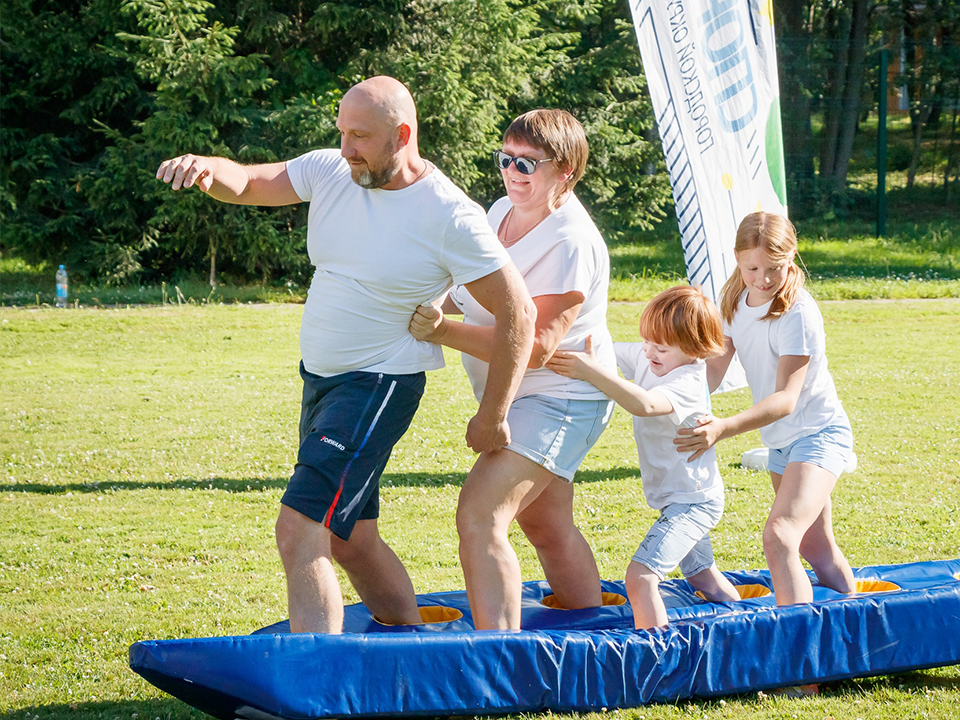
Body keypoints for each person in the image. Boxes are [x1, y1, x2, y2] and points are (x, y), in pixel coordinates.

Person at [156, 76, 536, 633]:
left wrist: (493, 415)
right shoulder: (333, 171)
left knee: (300, 525)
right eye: (341, 132)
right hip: (322, 381)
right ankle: (408, 640)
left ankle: (319, 685)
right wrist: (209, 168)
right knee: (350, 535)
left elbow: (519, 315)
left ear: (401, 135)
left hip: (379, 384)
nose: (345, 148)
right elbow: (252, 182)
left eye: (359, 136)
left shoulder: (449, 214)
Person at [409, 109, 615, 630]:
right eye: (507, 159)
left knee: (480, 515)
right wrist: (425, 303)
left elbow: (539, 345)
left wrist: (439, 331)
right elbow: (478, 295)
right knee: (546, 524)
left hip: (563, 397)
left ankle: (497, 660)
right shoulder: (502, 209)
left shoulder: (570, 240)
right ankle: (591, 632)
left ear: (566, 170)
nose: (513, 172)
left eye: (529, 163)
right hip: (520, 393)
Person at [674, 211, 856, 606]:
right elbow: (713, 368)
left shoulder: (798, 313)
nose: (763, 278)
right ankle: (856, 620)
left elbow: (786, 398)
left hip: (819, 436)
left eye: (774, 268)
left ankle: (799, 648)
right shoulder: (736, 302)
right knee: (816, 548)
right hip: (781, 443)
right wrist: (674, 403)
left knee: (779, 536)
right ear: (738, 259)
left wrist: (723, 427)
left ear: (792, 256)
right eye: (752, 267)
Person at [547, 285, 741, 629]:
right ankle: (747, 626)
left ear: (695, 349)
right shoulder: (651, 356)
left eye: (660, 347)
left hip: (694, 502)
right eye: (647, 341)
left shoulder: (689, 379)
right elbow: (609, 350)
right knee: (703, 579)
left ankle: (657, 660)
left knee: (640, 578)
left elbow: (645, 404)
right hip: (676, 499)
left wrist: (590, 371)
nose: (649, 351)